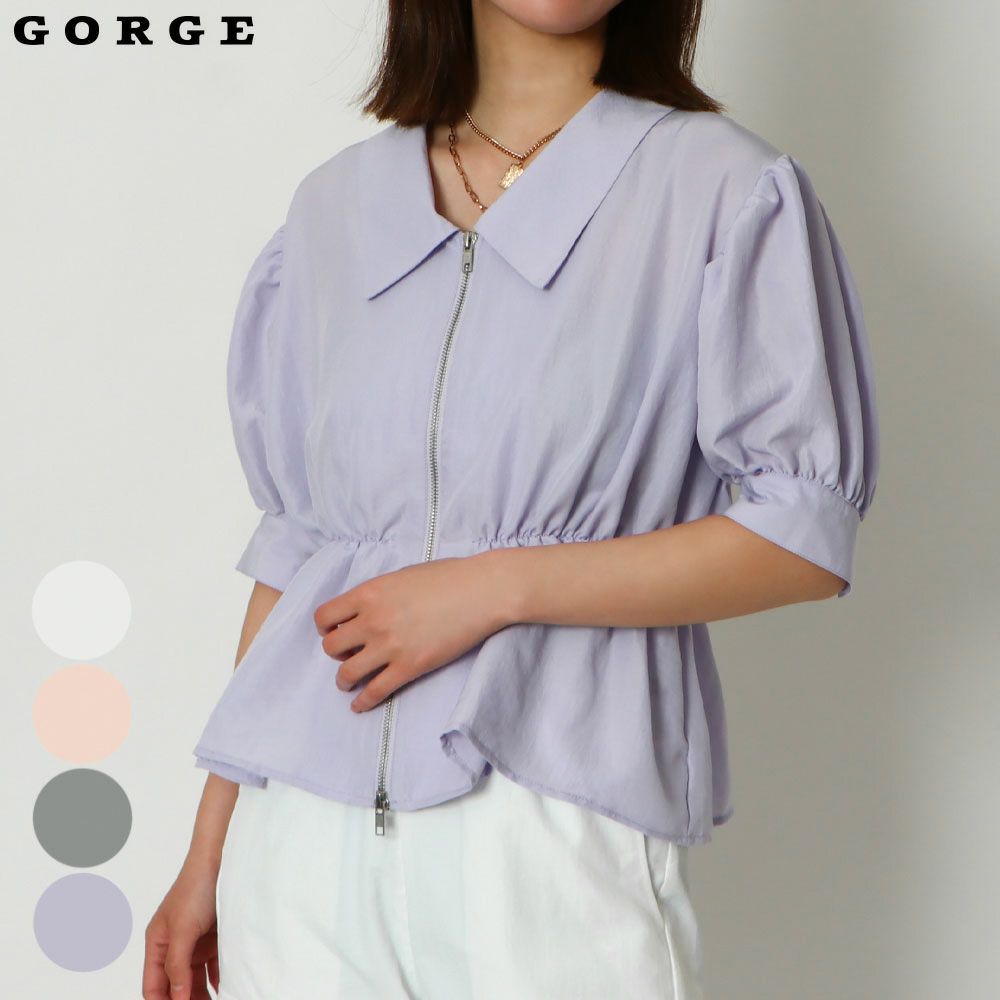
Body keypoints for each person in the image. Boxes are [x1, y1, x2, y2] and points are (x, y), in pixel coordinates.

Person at [142, 0, 881, 997]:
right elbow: (297, 545)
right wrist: (209, 852)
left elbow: (799, 536)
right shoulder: (333, 207)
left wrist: (492, 587)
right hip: (300, 840)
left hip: (550, 826)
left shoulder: (721, 188)